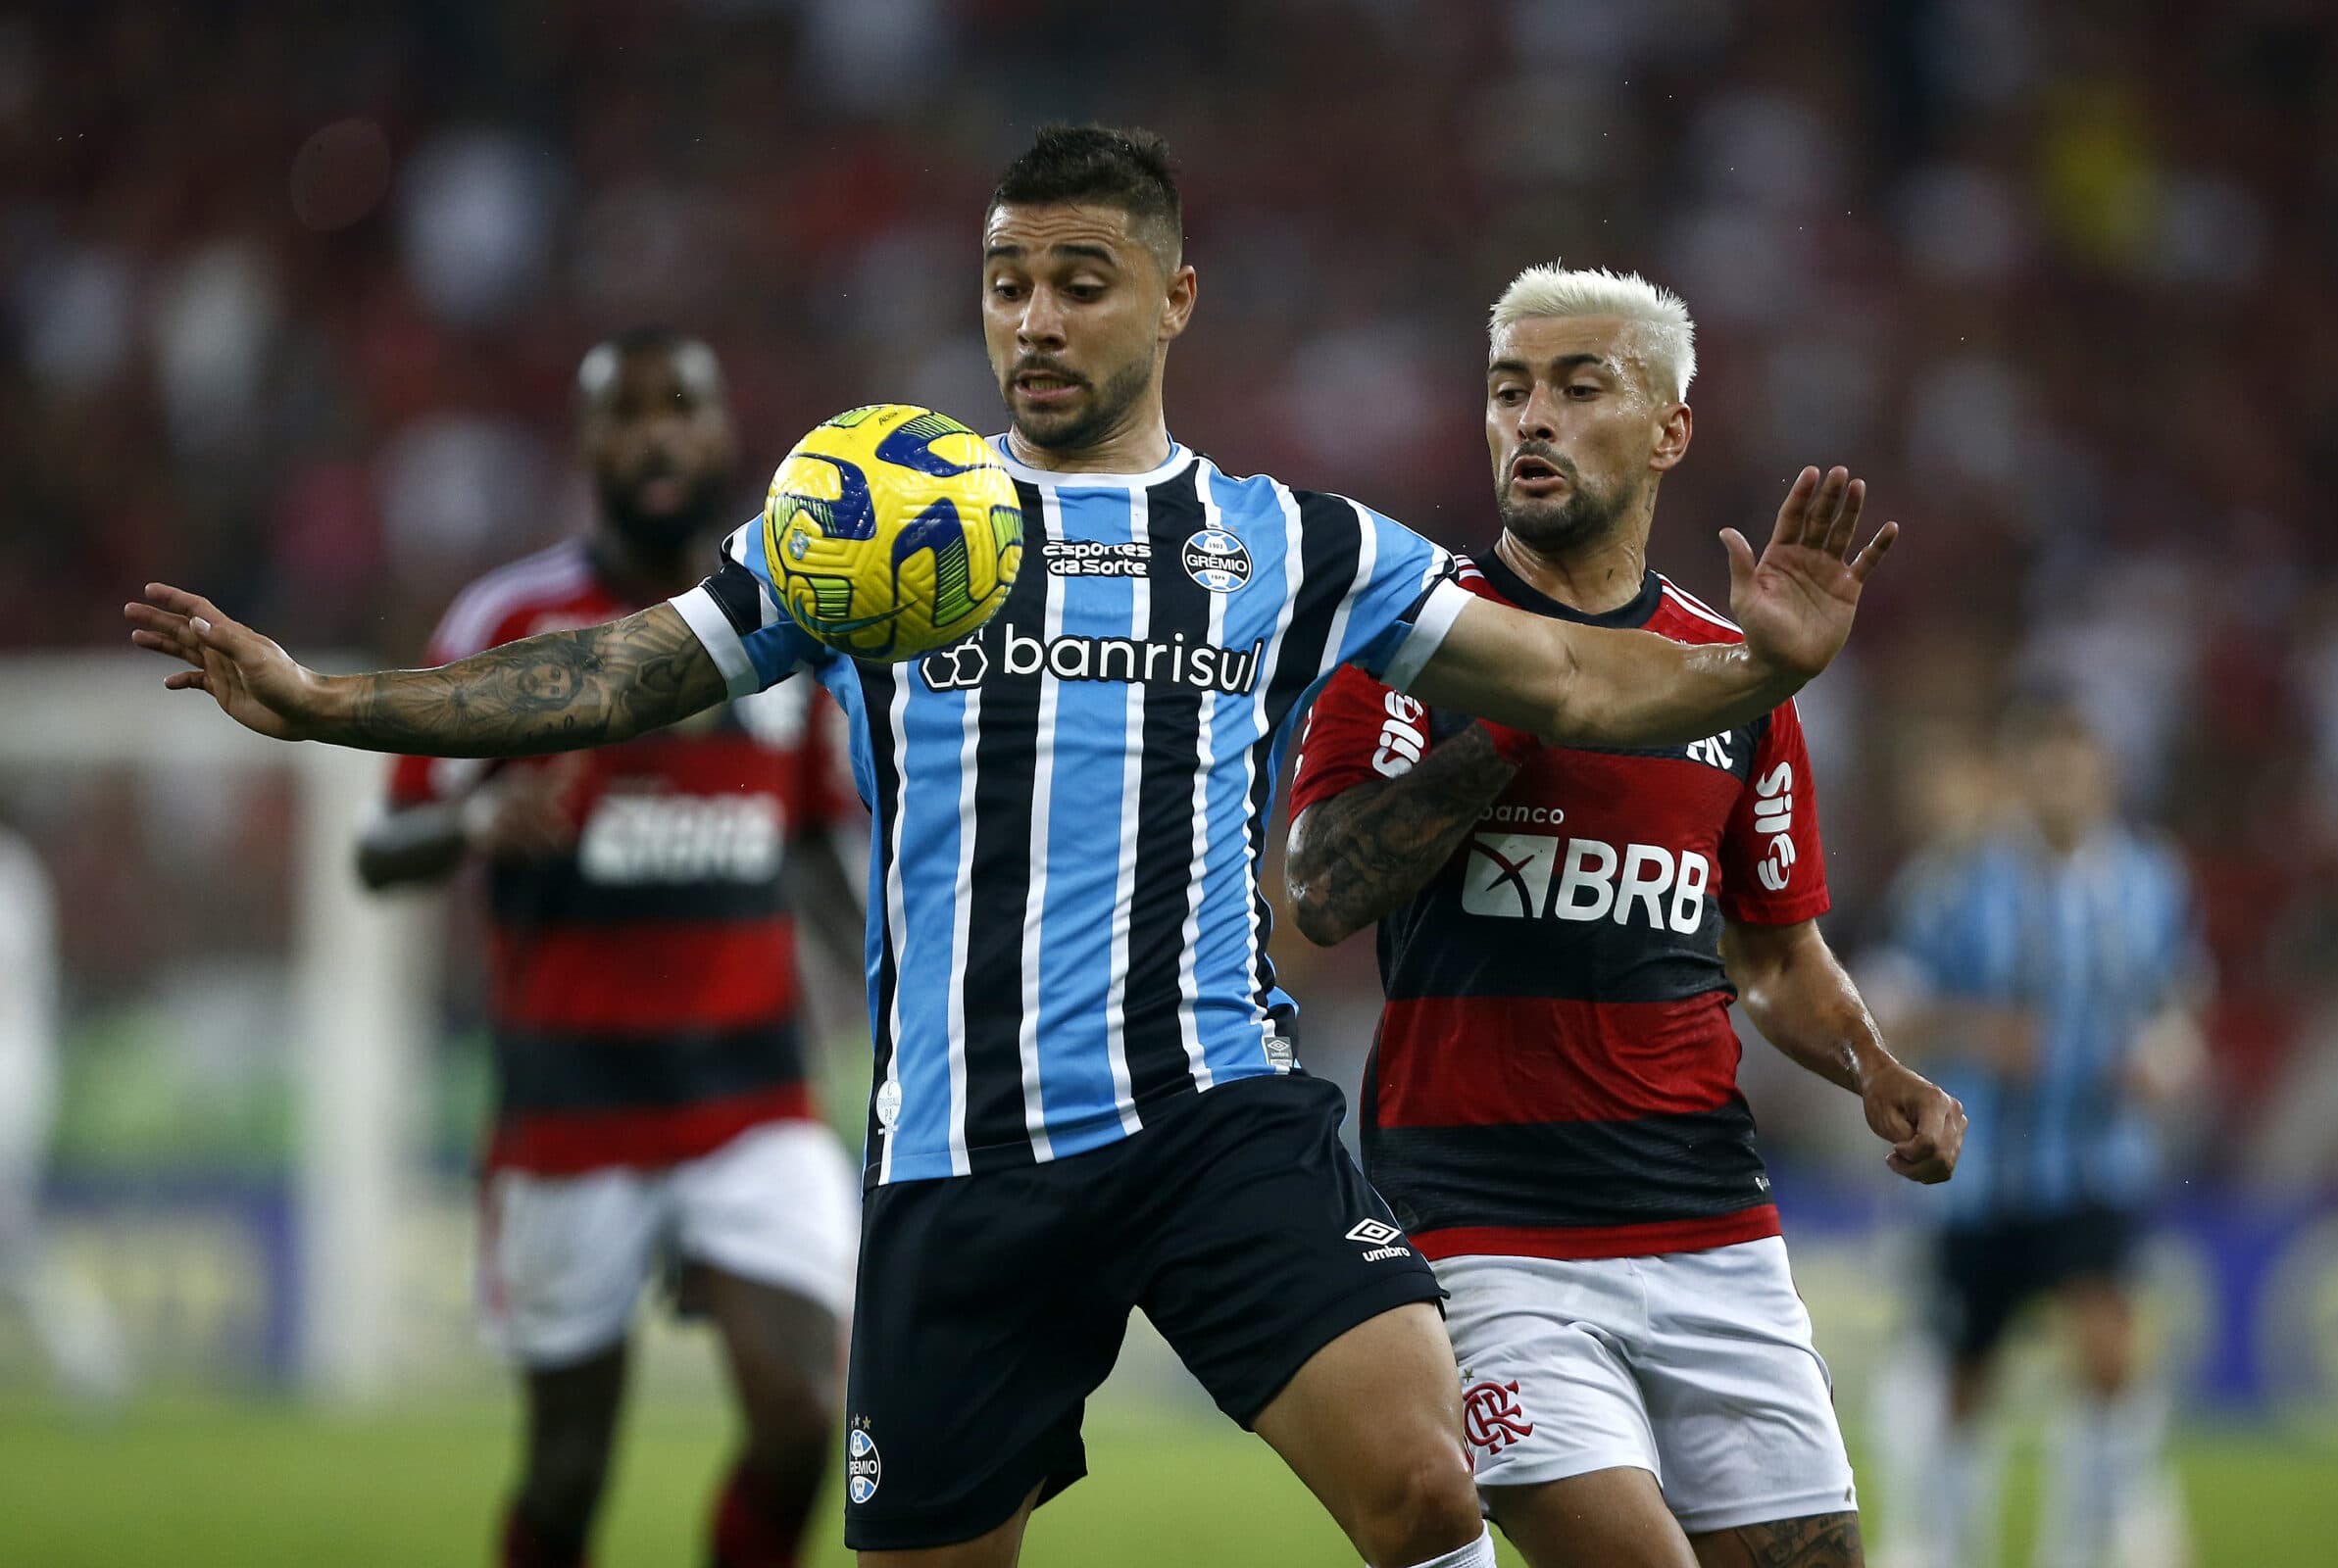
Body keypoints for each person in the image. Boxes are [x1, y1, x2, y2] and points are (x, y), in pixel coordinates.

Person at [124, 125, 1901, 1568]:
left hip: (1214, 1111)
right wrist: (332, 703)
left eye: (1079, 282)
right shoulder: (882, 515)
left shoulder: (1285, 539)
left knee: (1431, 1486)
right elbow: (618, 670)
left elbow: (1579, 684)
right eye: (1006, 285)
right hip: (964, 1155)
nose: (1035, 321)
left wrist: (1760, 667)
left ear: (1175, 300)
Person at [1283, 265, 1965, 1568]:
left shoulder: (1729, 681)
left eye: (1577, 387)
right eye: (1507, 390)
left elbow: (1771, 951)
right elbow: (1323, 892)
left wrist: (1874, 1066)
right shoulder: (1409, 653)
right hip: (1489, 1234)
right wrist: (1538, 704)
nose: (1530, 418)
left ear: (1669, 429)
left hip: (1714, 1222)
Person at [353, 328, 864, 1568]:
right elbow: (381, 852)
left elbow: (809, 846)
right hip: (567, 1117)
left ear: (723, 427)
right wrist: (476, 821)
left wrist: (888, 984)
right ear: (585, 446)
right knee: (569, 1475)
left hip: (751, 1104)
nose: (654, 437)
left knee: (809, 1423)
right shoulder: (511, 617)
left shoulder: (790, 620)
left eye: (678, 408)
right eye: (623, 414)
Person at [1884, 699, 2203, 1568]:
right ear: (2022, 775)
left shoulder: (2151, 879)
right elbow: (1893, 1001)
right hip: (1979, 1171)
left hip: (2096, 1162)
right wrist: (1975, 1027)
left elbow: (2176, 1005)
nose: (2064, 781)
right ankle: (1946, 1543)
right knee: (1965, 1378)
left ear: (2103, 773)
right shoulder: (1957, 881)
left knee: (2107, 1352)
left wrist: (2165, 1058)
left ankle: (2093, 1541)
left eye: (2078, 762)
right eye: (2046, 763)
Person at [0, 820, 131, 1405]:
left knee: (10, 1235)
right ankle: (89, 1351)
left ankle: (91, 1350)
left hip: (10, 1075)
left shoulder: (11, 872)